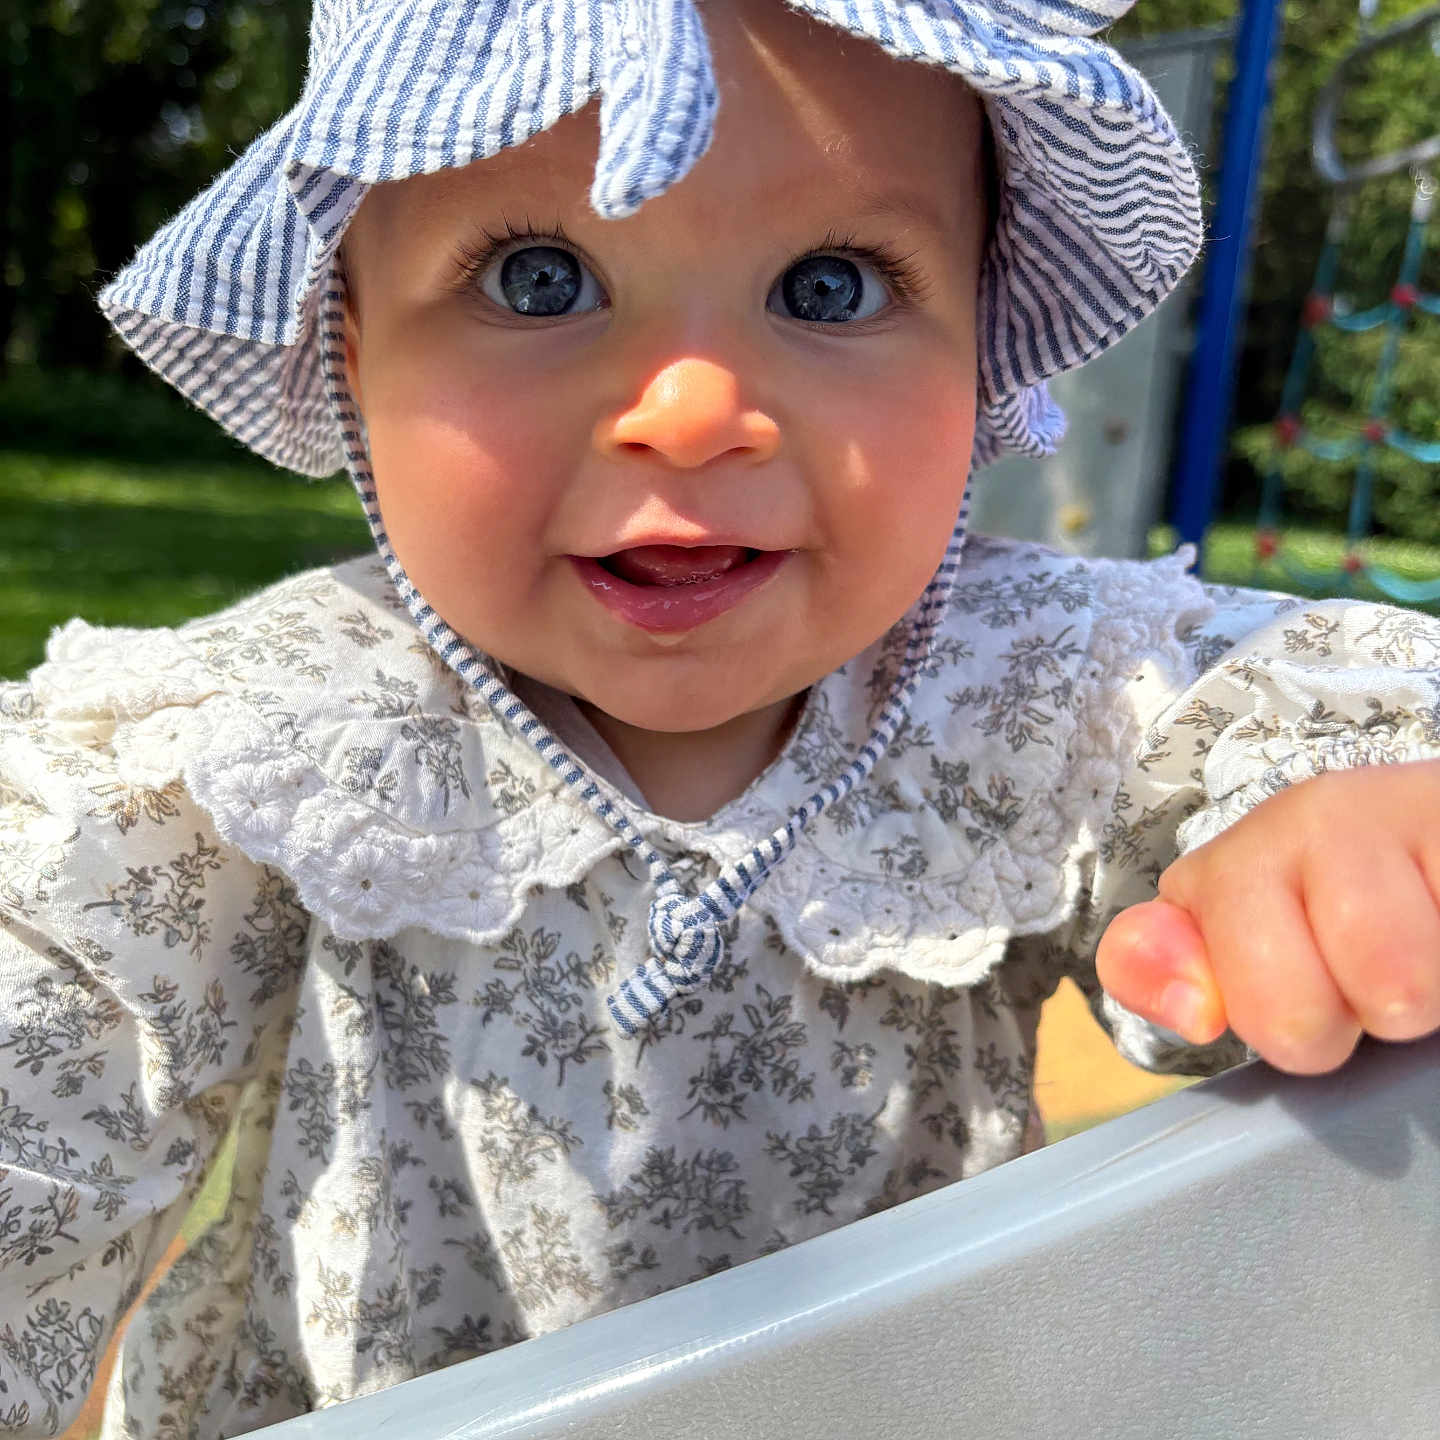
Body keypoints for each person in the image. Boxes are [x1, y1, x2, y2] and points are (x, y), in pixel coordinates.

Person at [2, 0, 1438, 1434]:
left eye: (830, 286)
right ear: (354, 350)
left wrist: (1335, 820)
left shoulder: (1031, 679)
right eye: (540, 279)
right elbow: (46, 1037)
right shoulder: (265, 741)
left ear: (982, 345)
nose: (691, 412)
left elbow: (1265, 710)